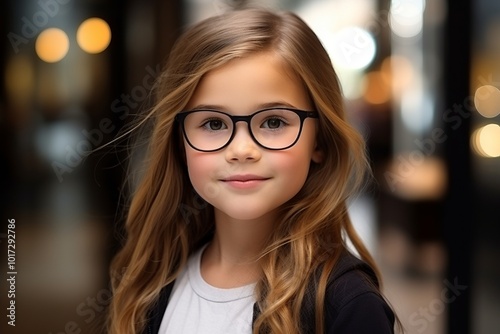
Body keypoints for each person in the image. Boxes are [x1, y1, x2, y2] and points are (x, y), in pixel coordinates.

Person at [107, 7, 398, 334]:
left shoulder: (348, 306)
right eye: (213, 123)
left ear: (320, 140)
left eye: (274, 122)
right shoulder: (152, 283)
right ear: (179, 141)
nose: (242, 150)